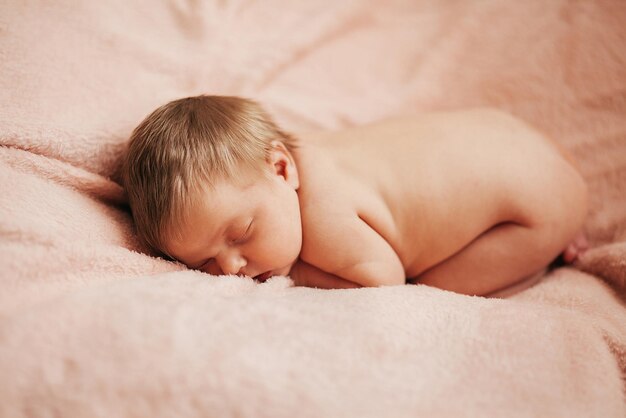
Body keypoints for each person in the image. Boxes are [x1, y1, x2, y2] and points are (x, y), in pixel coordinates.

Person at [122, 95, 588, 296]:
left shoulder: (324, 224)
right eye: (203, 263)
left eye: (241, 233)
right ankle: (564, 214)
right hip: (521, 140)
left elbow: (384, 280)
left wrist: (300, 273)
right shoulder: (299, 153)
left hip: (536, 212)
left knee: (428, 285)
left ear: (282, 168)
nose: (231, 269)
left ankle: (549, 246)